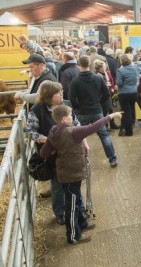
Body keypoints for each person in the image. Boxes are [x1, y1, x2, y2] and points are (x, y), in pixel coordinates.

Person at [40, 105, 122, 244]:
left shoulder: (53, 131)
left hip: (65, 172)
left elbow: (43, 153)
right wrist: (112, 116)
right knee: (71, 205)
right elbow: (94, 127)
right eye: (70, 115)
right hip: (71, 173)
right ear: (65, 118)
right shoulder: (73, 131)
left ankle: (82, 223)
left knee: (76, 199)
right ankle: (73, 236)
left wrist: (57, 152)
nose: (72, 117)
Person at [24, 81, 77, 225]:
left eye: (61, 91)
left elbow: (76, 123)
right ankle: (60, 212)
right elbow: (30, 131)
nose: (62, 94)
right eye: (58, 93)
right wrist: (47, 140)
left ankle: (75, 209)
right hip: (52, 154)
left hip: (70, 151)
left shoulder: (66, 105)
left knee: (73, 181)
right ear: (48, 96)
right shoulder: (37, 110)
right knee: (57, 183)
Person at [69, 55, 118, 167]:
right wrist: (99, 103)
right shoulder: (98, 78)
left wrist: (77, 107)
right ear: (90, 63)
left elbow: (71, 98)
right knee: (104, 136)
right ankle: (112, 159)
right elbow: (106, 94)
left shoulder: (75, 81)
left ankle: (80, 162)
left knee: (79, 137)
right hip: (97, 111)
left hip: (82, 112)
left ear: (78, 64)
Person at [116, 54, 141, 136]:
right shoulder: (136, 67)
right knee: (130, 110)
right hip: (134, 92)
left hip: (123, 93)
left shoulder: (120, 71)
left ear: (121, 62)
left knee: (126, 112)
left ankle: (129, 132)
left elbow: (119, 83)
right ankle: (124, 128)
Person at [93, 59, 119, 130]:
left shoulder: (106, 73)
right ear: (100, 67)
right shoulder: (96, 75)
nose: (105, 67)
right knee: (104, 111)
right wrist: (106, 85)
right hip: (102, 96)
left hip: (108, 93)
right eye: (104, 66)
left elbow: (111, 80)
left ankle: (112, 124)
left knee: (110, 109)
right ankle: (104, 126)